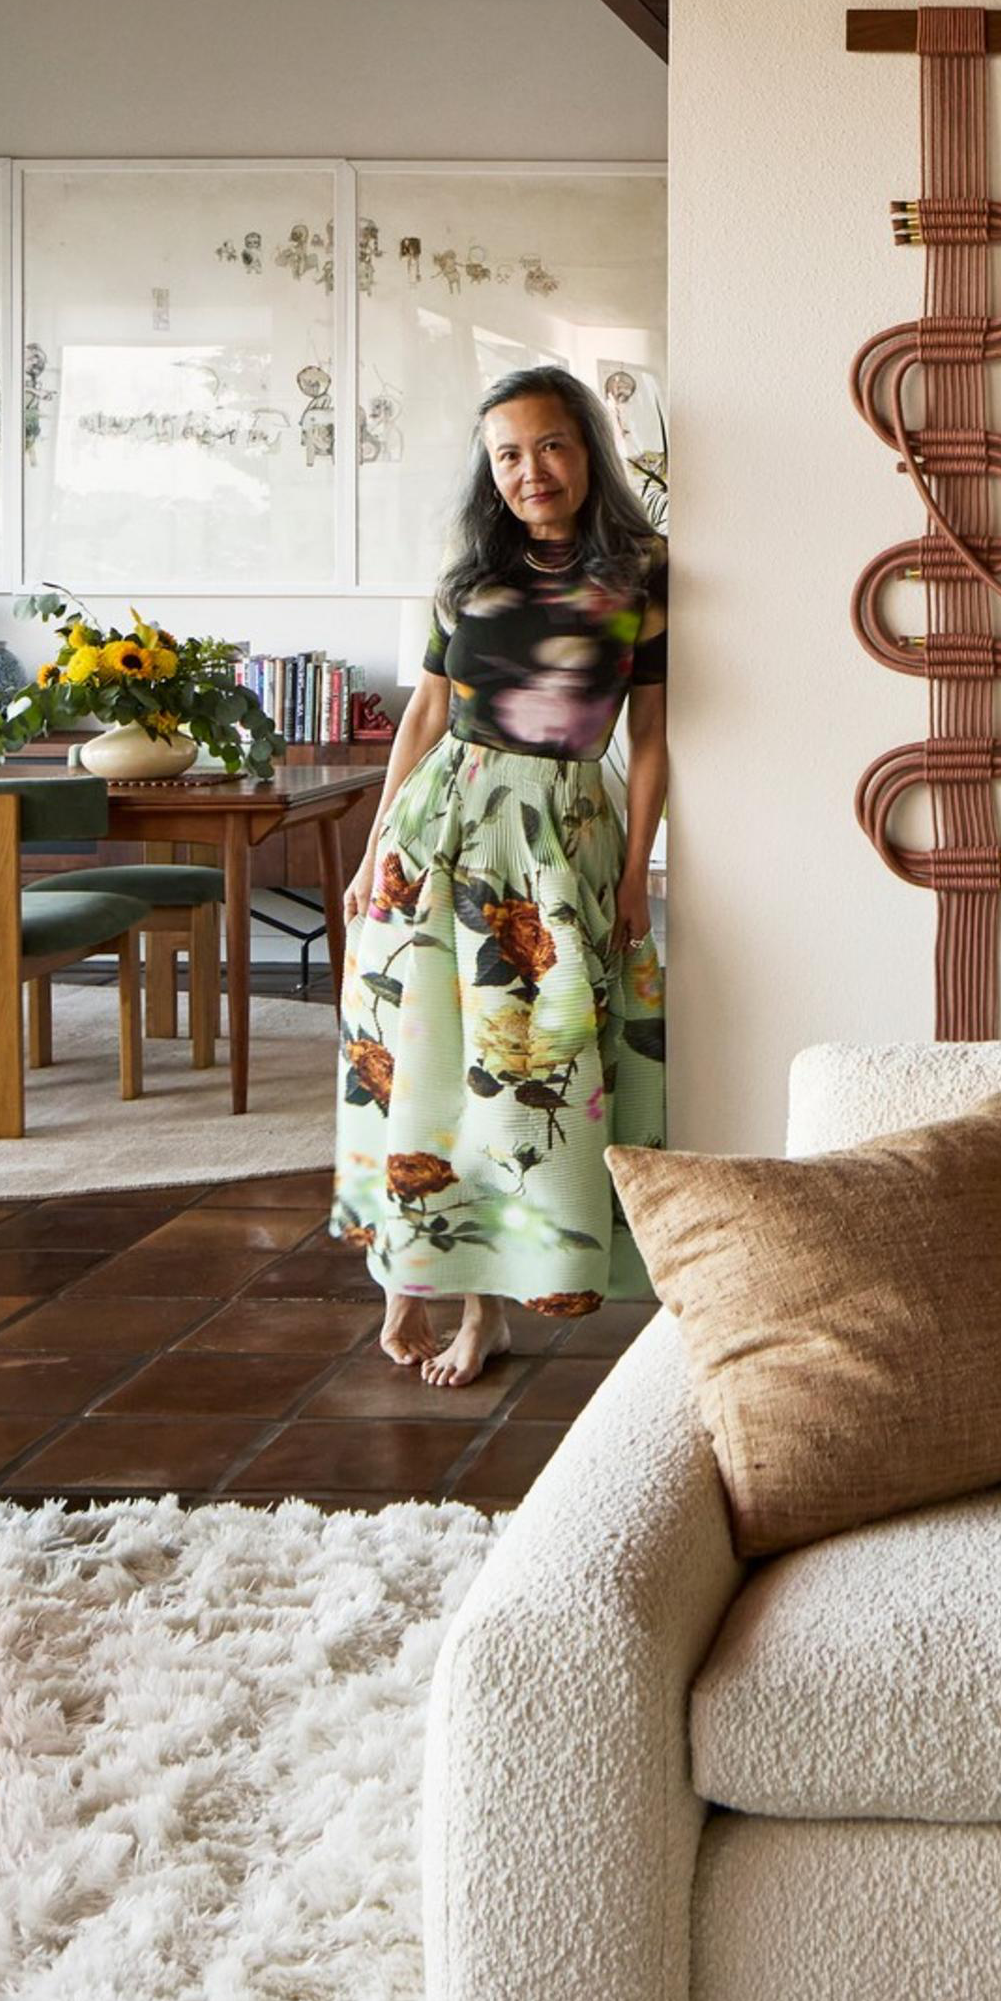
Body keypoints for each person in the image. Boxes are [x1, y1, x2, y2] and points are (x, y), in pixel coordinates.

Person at [334, 366, 665, 1386]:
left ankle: (489, 1304)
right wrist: (372, 849)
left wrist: (638, 872)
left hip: (557, 844)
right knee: (422, 1059)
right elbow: (426, 718)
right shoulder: (466, 577)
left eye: (551, 444)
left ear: (587, 449)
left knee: (522, 1072)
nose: (532, 470)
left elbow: (653, 737)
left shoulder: (641, 577)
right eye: (508, 453)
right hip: (437, 838)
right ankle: (422, 1276)